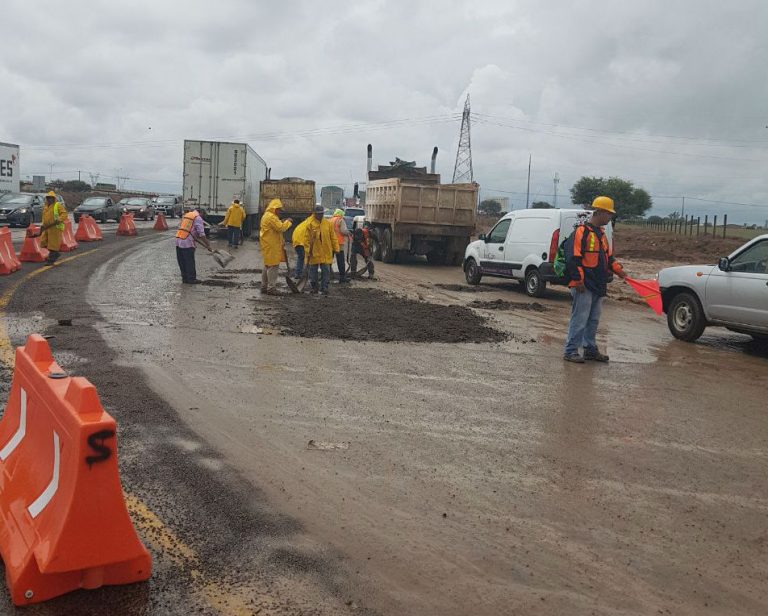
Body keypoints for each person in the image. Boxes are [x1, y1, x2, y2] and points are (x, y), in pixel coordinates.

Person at [563, 196, 627, 363]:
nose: (610, 217)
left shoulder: (602, 235)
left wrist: (621, 273)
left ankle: (590, 349)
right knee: (580, 319)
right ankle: (570, 351)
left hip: (598, 284)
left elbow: (608, 258)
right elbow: (572, 258)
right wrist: (578, 281)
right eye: (609, 214)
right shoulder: (581, 232)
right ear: (600, 212)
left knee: (593, 320)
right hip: (584, 285)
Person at [303, 204, 339, 295]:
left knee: (326, 271)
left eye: (321, 214)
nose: (320, 215)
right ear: (314, 214)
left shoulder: (328, 224)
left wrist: (336, 248)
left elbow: (333, 237)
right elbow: (306, 239)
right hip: (314, 252)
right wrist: (308, 251)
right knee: (313, 272)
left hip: (326, 252)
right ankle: (314, 287)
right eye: (318, 214)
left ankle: (324, 288)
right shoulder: (309, 224)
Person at [259, 198, 292, 295]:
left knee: (267, 265)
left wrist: (281, 221)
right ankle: (271, 288)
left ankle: (264, 287)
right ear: (275, 208)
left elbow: (275, 229)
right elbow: (281, 228)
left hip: (268, 244)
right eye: (279, 210)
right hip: (272, 245)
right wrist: (288, 222)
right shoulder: (271, 217)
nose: (280, 212)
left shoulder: (267, 215)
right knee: (273, 266)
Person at [175, 205, 211, 284]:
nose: (203, 217)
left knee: (182, 261)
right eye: (203, 215)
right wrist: (208, 245)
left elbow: (182, 226)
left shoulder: (188, 214)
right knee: (189, 261)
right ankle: (191, 279)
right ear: (201, 212)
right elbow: (202, 234)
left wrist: (193, 235)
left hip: (179, 239)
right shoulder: (198, 218)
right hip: (187, 241)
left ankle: (185, 279)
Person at [39, 191, 68, 265]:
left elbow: (64, 214)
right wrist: (43, 225)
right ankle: (55, 254)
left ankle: (51, 260)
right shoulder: (45, 206)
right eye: (48, 198)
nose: (49, 199)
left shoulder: (57, 205)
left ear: (53, 199)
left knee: (53, 244)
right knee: (43, 242)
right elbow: (44, 217)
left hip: (55, 228)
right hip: (47, 227)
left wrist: (59, 219)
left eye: (51, 198)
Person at [330, 208, 351, 283]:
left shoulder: (331, 220)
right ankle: (342, 277)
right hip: (338, 244)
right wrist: (349, 232)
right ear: (341, 214)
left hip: (330, 243)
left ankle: (328, 275)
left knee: (329, 260)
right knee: (340, 261)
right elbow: (343, 231)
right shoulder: (340, 220)